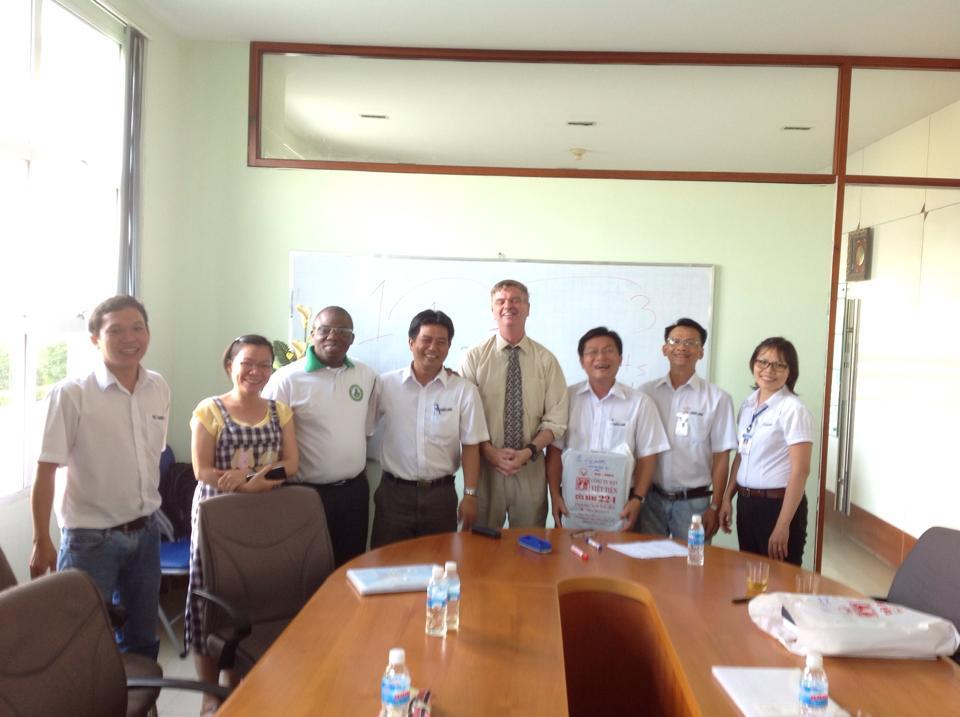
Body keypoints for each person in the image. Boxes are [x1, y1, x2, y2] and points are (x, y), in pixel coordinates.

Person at [29, 295, 170, 659]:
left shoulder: (158, 387)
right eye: (116, 331)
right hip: (90, 541)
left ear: (148, 332)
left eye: (137, 328)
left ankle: (138, 694)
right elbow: (46, 470)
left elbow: (150, 456)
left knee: (142, 638)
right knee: (81, 642)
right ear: (95, 339)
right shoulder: (71, 393)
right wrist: (41, 538)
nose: (129, 338)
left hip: (146, 534)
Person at [186, 334, 298, 715]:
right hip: (217, 516)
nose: (256, 371)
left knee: (249, 597)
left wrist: (251, 480)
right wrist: (252, 482)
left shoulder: (280, 411)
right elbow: (202, 470)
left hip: (263, 515)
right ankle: (209, 694)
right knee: (210, 599)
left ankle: (234, 686)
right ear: (230, 365)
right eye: (247, 363)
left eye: (264, 365)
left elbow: (292, 463)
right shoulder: (210, 410)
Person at [262, 306, 378, 566]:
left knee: (350, 565)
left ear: (352, 339)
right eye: (325, 330)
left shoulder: (366, 375)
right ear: (312, 333)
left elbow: (366, 429)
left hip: (353, 493)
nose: (332, 336)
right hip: (305, 493)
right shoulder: (286, 379)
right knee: (306, 566)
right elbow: (267, 438)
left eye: (342, 331)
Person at [371, 310, 489, 547]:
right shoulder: (385, 385)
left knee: (439, 561)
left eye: (441, 342)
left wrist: (470, 495)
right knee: (387, 562)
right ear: (411, 342)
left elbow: (470, 445)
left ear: (449, 347)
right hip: (394, 494)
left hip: (440, 497)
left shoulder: (463, 391)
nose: (433, 347)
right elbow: (364, 428)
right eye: (426, 339)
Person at [460, 280, 568, 528]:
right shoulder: (474, 358)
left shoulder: (546, 360)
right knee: (480, 542)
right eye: (501, 301)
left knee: (529, 544)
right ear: (493, 310)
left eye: (516, 300)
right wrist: (489, 452)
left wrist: (527, 451)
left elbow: (556, 419)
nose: (508, 305)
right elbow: (465, 418)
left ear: (528, 308)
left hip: (530, 467)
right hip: (485, 469)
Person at [547, 327, 669, 530]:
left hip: (623, 505)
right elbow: (554, 451)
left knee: (619, 552)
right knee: (570, 551)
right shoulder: (565, 399)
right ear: (581, 361)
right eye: (592, 352)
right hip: (572, 502)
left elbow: (648, 458)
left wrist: (638, 499)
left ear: (620, 359)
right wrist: (554, 495)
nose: (601, 357)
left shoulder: (640, 403)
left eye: (608, 350)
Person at [639, 318, 737, 540]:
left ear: (701, 352)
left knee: (692, 561)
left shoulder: (717, 399)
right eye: (675, 341)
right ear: (665, 349)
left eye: (691, 343)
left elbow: (721, 457)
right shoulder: (646, 394)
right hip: (651, 500)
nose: (682, 347)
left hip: (695, 504)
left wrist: (715, 506)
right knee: (647, 559)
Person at [718, 337, 813, 565]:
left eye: (779, 365)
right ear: (753, 364)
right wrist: (727, 497)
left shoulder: (793, 409)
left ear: (790, 371)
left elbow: (801, 470)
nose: (769, 370)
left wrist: (782, 525)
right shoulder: (748, 405)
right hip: (747, 504)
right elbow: (741, 455)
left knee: (780, 578)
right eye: (762, 362)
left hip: (778, 507)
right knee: (750, 575)